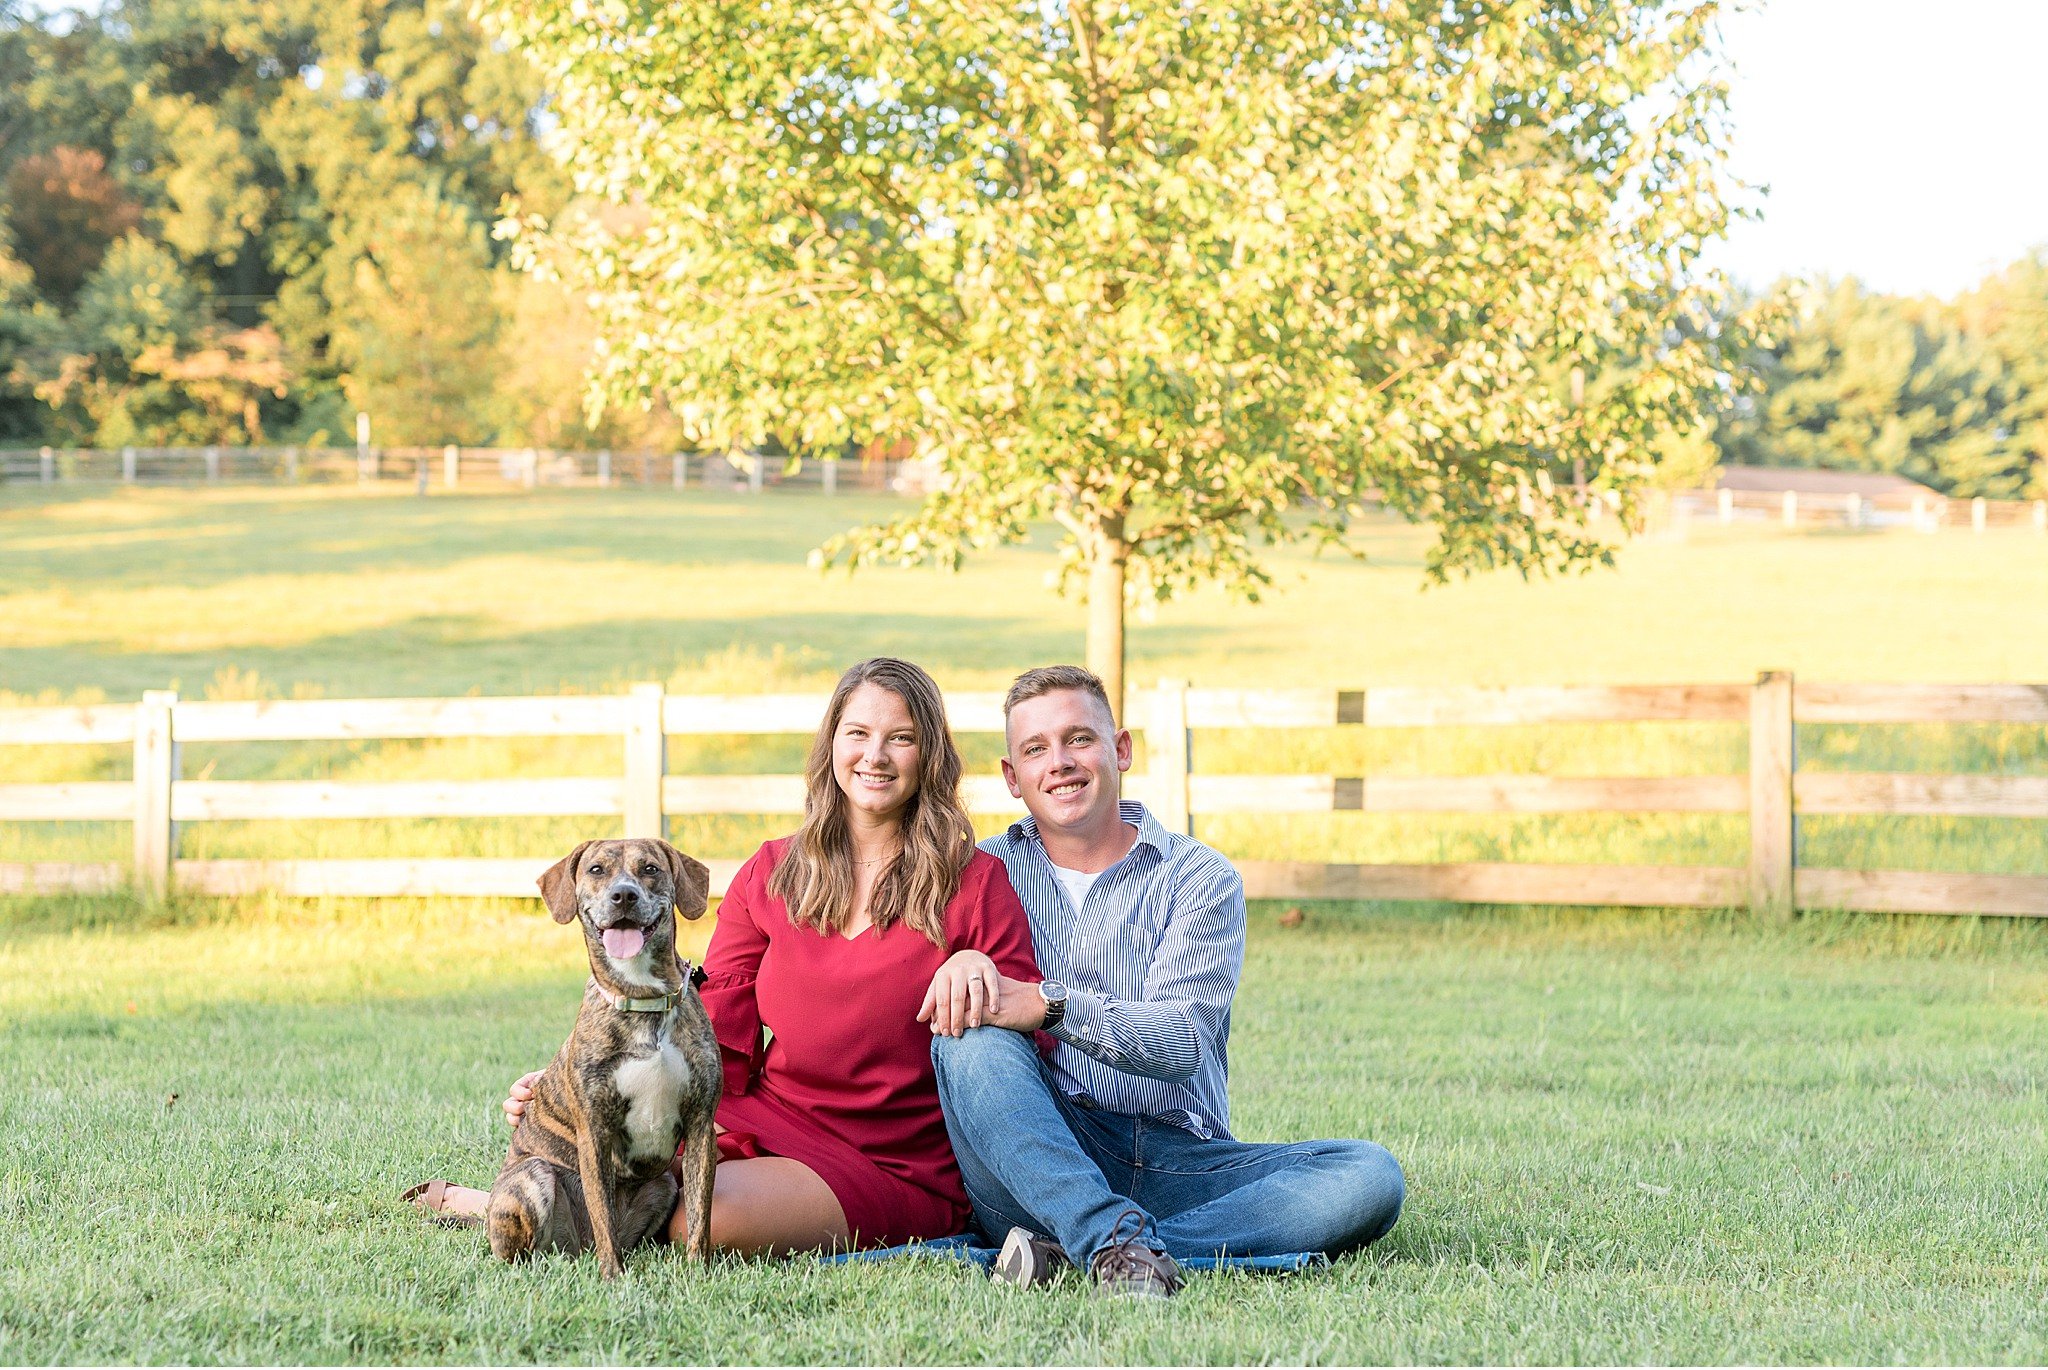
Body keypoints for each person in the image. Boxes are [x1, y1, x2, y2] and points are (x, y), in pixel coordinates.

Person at [422, 657, 1040, 1255]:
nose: (874, 756)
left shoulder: (974, 882)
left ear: (928, 755)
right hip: (772, 1119)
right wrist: (584, 1092)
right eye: (857, 733)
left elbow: (1021, 1054)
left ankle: (486, 1207)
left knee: (700, 1218)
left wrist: (977, 968)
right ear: (831, 747)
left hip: (896, 1158)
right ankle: (507, 1206)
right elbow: (715, 1032)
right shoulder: (772, 872)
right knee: (628, 1147)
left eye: (900, 737)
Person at [917, 665, 1406, 1299]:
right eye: (1036, 749)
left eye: (1079, 739)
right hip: (1041, 1149)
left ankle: (1087, 1250)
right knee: (970, 1042)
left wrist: (1048, 1005)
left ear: (1120, 749)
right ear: (1013, 778)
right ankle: (1115, 1239)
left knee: (1367, 1176)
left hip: (1179, 1158)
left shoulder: (1198, 877)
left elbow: (1183, 1043)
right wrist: (960, 966)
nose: (1060, 763)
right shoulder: (982, 874)